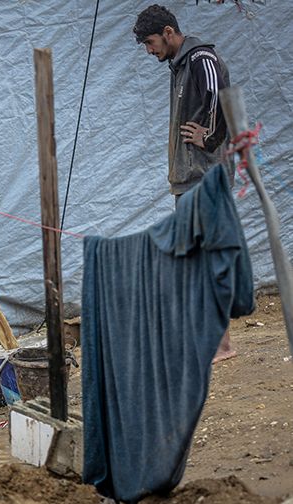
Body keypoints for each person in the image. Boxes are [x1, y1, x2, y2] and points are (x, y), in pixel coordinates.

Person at [133, 4, 235, 363]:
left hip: (205, 177)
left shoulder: (200, 57)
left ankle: (221, 345)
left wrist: (209, 136)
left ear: (168, 32)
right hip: (188, 179)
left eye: (150, 42)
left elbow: (221, 96)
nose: (149, 50)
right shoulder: (179, 66)